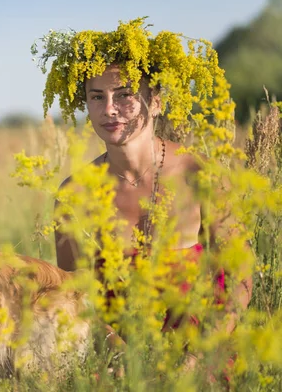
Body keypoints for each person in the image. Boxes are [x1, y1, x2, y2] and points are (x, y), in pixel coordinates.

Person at [33, 19, 254, 381]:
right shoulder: (75, 193)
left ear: (156, 101)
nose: (109, 110)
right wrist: (128, 358)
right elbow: (75, 295)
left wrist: (198, 357)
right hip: (119, 366)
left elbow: (240, 278)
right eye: (96, 97)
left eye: (124, 94)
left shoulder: (200, 174)